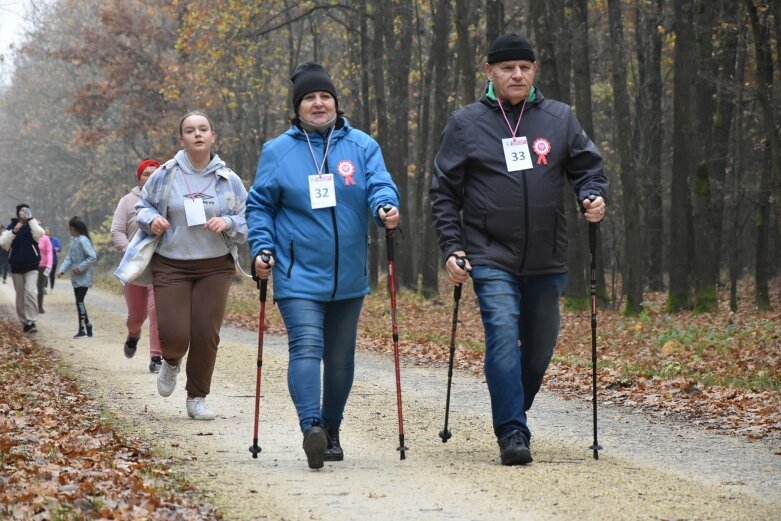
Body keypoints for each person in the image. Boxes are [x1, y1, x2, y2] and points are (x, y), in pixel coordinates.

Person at [430, 34, 608, 466]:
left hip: (548, 256)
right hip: (490, 254)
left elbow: (588, 168)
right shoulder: (466, 123)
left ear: (535, 71)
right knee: (503, 340)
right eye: (507, 67)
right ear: (489, 72)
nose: (517, 74)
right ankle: (512, 430)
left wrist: (592, 195)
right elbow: (444, 193)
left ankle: (513, 408)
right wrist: (454, 248)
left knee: (542, 344)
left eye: (524, 67)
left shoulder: (560, 118)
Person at [246, 62, 400, 469]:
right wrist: (261, 248)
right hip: (298, 274)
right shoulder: (278, 151)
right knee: (307, 346)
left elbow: (380, 182)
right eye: (309, 98)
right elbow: (259, 205)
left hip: (348, 274)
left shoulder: (362, 146)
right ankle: (310, 426)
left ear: (336, 103)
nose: (318, 103)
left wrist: (386, 205)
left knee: (341, 357)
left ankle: (331, 430)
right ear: (297, 108)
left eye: (325, 97)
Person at [134, 110, 248, 421]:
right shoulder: (166, 174)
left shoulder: (229, 179)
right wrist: (152, 219)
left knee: (205, 334)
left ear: (213, 137)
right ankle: (171, 361)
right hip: (171, 264)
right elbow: (141, 206)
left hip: (215, 266)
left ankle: (197, 397)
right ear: (181, 139)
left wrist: (226, 221)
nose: (197, 134)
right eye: (190, 130)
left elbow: (248, 219)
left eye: (203, 129)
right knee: (174, 333)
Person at [111, 158, 164, 373]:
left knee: (156, 311)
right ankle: (133, 335)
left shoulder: (167, 200)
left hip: (160, 264)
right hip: (134, 265)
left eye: (155, 174)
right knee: (137, 316)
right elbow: (116, 231)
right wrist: (130, 252)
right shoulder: (127, 201)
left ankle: (156, 357)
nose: (150, 177)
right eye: (146, 174)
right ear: (139, 178)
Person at [1, 205, 44, 333]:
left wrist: (31, 220)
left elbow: (39, 234)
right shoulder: (11, 227)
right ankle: (25, 322)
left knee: (31, 292)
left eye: (26, 210)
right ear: (17, 213)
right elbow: (3, 243)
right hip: (16, 267)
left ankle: (32, 320)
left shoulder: (33, 225)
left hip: (32, 266)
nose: (24, 212)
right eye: (22, 211)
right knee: (20, 295)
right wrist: (14, 231)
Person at [56, 216, 97, 338]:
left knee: (80, 302)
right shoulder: (74, 241)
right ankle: (88, 326)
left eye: (71, 229)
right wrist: (62, 270)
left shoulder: (83, 240)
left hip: (84, 277)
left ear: (77, 229)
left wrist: (81, 267)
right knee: (79, 302)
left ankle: (82, 329)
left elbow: (92, 256)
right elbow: (69, 258)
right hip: (75, 278)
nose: (70, 231)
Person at [36, 225, 53, 313]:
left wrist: (49, 265)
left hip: (43, 266)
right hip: (32, 265)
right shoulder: (32, 237)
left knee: (40, 287)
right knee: (31, 287)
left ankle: (39, 306)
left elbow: (49, 252)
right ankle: (31, 306)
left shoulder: (45, 238)